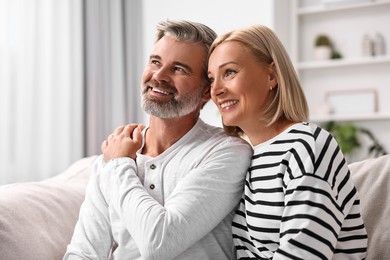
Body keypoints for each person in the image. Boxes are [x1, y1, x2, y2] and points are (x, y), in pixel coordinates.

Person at [64, 20, 252, 260]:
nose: (159, 76)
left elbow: (160, 242)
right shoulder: (112, 156)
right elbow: (84, 252)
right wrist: (115, 161)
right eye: (155, 62)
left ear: (207, 91)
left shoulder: (227, 151)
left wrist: (120, 164)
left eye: (179, 69)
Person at [207, 24, 368, 259]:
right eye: (211, 79)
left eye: (229, 72)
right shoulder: (247, 155)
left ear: (271, 75)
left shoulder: (308, 146)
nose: (216, 90)